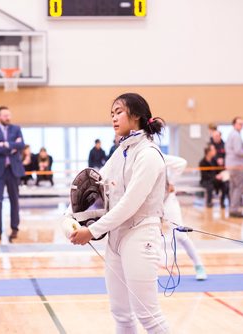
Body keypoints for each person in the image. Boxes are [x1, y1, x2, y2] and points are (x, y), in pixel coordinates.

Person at [69, 93, 170, 333]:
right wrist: (70, 217)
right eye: (111, 114)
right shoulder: (120, 152)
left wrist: (91, 231)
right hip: (116, 238)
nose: (113, 118)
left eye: (119, 112)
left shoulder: (149, 155)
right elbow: (95, 185)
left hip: (140, 234)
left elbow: (129, 204)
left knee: (148, 316)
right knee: (121, 315)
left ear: (135, 115)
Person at [164, 154, 207, 280]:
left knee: (180, 235)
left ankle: (199, 265)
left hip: (167, 201)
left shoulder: (156, 155)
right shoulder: (130, 159)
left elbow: (181, 162)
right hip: (148, 205)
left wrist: (171, 182)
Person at [0, 106, 25, 242]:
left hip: (13, 171)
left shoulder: (17, 129)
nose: (8, 117)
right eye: (5, 115)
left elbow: (22, 145)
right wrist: (12, 146)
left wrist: (5, 144)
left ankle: (15, 229)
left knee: (15, 201)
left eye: (9, 115)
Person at [225, 117, 243, 218]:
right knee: (238, 187)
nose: (241, 126)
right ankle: (234, 209)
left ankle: (232, 208)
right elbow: (238, 151)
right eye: (239, 123)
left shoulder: (231, 134)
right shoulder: (236, 135)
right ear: (234, 124)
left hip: (231, 165)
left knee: (233, 187)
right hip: (236, 165)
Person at [200, 144, 228, 208]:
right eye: (213, 150)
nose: (215, 151)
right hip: (206, 180)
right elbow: (204, 175)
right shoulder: (202, 162)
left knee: (224, 185)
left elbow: (218, 171)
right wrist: (214, 177)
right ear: (209, 152)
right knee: (210, 186)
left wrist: (221, 166)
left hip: (214, 180)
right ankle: (209, 202)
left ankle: (222, 202)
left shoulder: (214, 160)